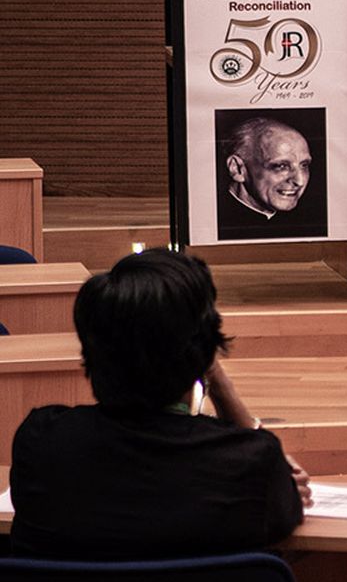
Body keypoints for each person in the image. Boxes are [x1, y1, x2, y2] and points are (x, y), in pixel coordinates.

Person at [8, 248, 310, 560]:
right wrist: (218, 381)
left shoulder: (40, 442)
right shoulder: (250, 465)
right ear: (204, 356)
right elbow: (280, 477)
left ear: (90, 351)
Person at [218, 115, 323, 240]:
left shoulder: (311, 224)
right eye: (281, 166)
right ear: (237, 169)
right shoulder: (214, 224)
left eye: (304, 165)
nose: (300, 181)